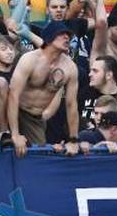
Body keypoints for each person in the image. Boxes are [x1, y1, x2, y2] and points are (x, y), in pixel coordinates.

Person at [7, 21, 80, 156]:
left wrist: (73, 139)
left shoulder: (70, 68)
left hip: (35, 118)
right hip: (14, 109)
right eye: (62, 34)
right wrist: (15, 134)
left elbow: (71, 105)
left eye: (68, 35)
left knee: (39, 155)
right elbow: (13, 94)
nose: (67, 37)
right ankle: (5, 133)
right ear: (50, 37)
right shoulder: (30, 59)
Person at [79, 56, 117, 130]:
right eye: (90, 70)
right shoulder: (84, 93)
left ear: (109, 75)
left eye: (95, 71)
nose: (90, 74)